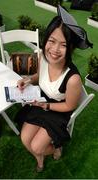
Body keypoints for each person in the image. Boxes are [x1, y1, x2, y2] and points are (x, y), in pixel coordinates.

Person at [16, 5, 93, 172]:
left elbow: (69, 106)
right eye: (51, 41)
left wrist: (47, 106)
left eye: (63, 44)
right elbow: (39, 76)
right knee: (24, 139)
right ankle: (40, 160)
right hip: (41, 102)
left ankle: (55, 148)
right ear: (46, 39)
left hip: (57, 110)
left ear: (70, 48)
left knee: (36, 146)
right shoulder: (42, 56)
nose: (55, 50)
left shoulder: (73, 79)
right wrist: (29, 80)